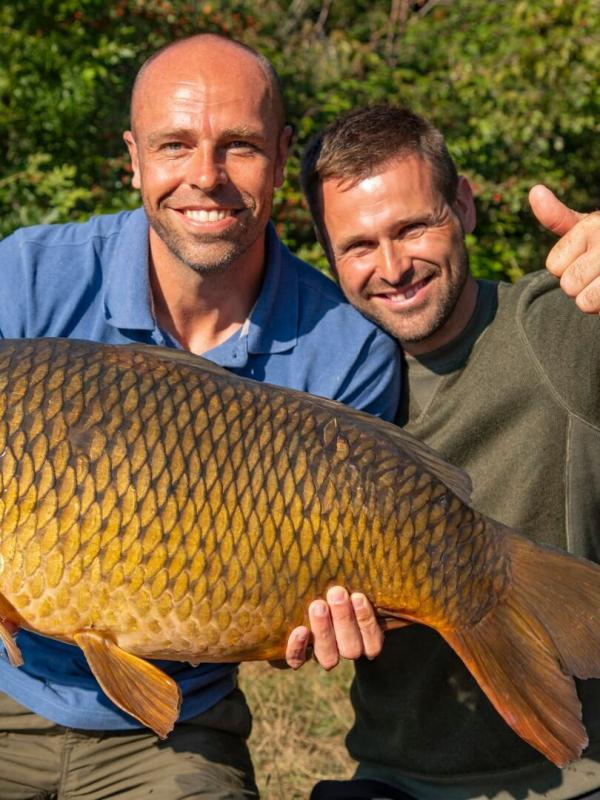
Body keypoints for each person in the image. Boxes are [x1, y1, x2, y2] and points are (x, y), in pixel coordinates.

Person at [0, 40, 400, 799]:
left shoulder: (347, 352)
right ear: (134, 157)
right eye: (174, 145)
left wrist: (310, 624)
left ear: (282, 158)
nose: (205, 177)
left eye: (239, 147)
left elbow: (302, 616)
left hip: (178, 723)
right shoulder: (23, 278)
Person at [297, 104, 600, 800]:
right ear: (328, 254)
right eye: (360, 246)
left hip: (572, 778)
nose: (394, 267)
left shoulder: (553, 329)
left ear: (461, 206)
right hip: (395, 778)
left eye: (412, 227)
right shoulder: (327, 388)